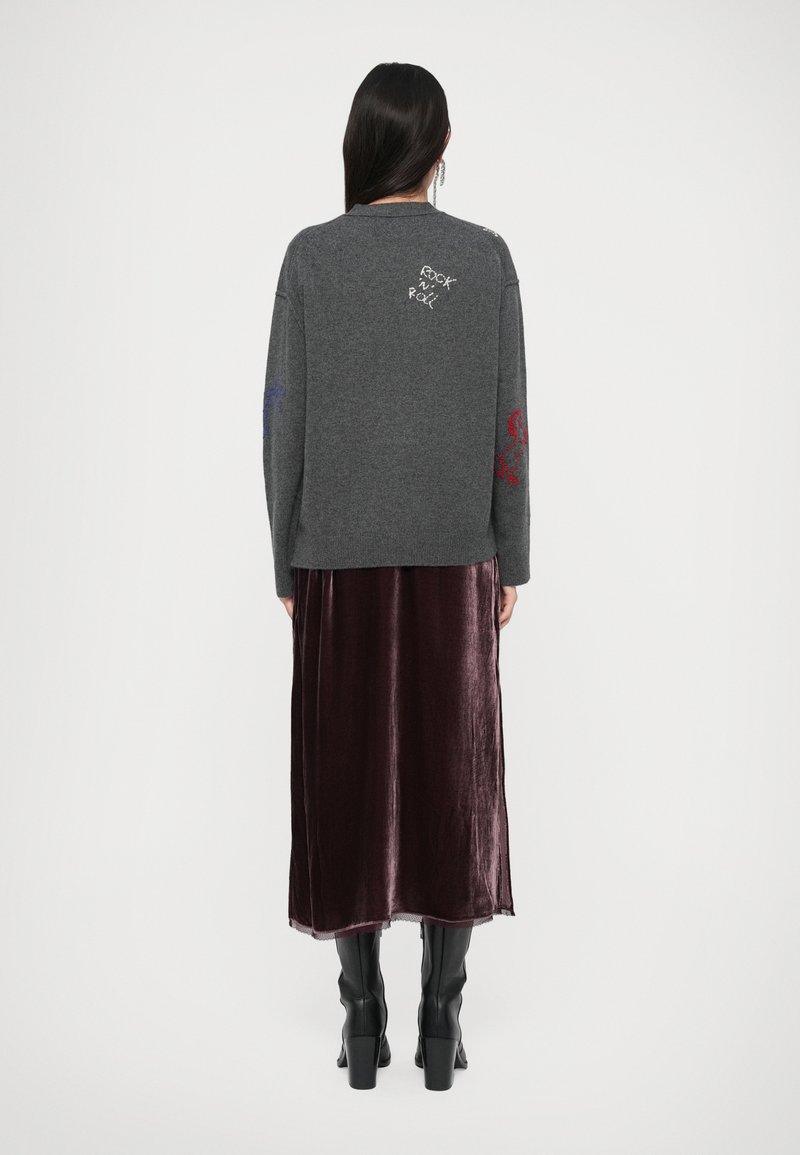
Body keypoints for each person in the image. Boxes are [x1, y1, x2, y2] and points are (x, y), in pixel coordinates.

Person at [261, 62, 530, 1092]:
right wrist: (512, 551)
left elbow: (282, 419)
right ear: (439, 145)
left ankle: (362, 1020)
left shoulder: (311, 258)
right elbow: (510, 419)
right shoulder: (483, 258)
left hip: (334, 554)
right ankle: (439, 1022)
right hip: (457, 553)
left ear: (361, 143)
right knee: (452, 782)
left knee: (344, 778)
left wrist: (285, 554)